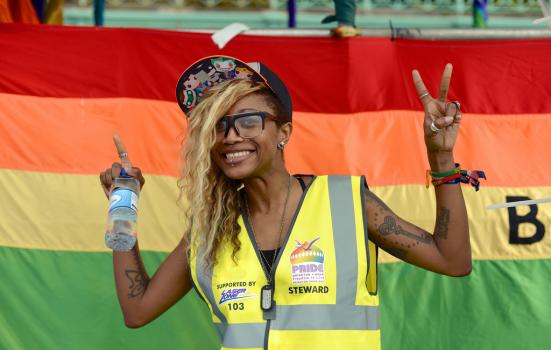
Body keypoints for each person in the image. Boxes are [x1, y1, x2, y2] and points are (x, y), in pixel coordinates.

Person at [99, 55, 472, 350]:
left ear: (283, 132)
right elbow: (137, 310)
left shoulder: (346, 201)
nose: (230, 137)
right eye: (217, 125)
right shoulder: (209, 228)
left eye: (247, 120)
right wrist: (123, 206)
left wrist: (441, 158)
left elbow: (452, 260)